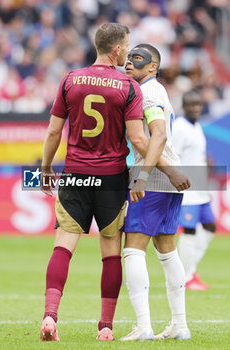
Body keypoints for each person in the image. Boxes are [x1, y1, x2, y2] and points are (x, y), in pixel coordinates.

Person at [40, 22, 150, 342]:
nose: (129, 51)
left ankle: (50, 316)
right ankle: (105, 327)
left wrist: (46, 167)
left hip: (75, 173)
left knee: (63, 247)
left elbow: (52, 131)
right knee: (110, 252)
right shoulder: (129, 87)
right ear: (117, 50)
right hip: (112, 178)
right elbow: (137, 137)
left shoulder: (70, 80)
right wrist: (161, 168)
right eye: (127, 46)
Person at [119, 44, 191, 341]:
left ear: (152, 67)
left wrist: (144, 175)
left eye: (137, 59)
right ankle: (179, 325)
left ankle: (144, 326)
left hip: (153, 176)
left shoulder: (147, 92)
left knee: (133, 249)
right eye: (127, 59)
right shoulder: (155, 89)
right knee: (167, 250)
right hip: (169, 176)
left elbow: (157, 135)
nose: (129, 64)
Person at [172, 90, 216, 290]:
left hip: (201, 188)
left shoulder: (196, 126)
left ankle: (189, 269)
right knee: (189, 230)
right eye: (191, 105)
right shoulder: (180, 128)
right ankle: (187, 276)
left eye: (198, 105)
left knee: (210, 227)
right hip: (188, 188)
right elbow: (174, 155)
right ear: (183, 106)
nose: (195, 108)